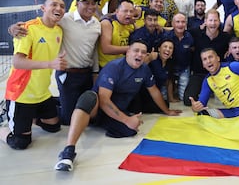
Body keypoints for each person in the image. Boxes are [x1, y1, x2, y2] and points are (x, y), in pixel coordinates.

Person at [54, 40, 182, 172]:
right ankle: (68, 151)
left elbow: (154, 91)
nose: (140, 54)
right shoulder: (114, 67)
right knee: (88, 97)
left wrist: (167, 111)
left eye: (144, 52)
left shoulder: (144, 69)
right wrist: (127, 119)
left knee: (130, 130)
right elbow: (103, 100)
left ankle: (94, 121)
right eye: (136, 51)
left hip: (115, 111)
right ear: (127, 53)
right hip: (97, 108)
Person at [7, 0, 102, 126]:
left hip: (86, 73)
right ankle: (32, 114)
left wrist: (95, 72)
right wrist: (12, 29)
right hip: (68, 74)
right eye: (86, 3)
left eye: (93, 3)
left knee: (89, 114)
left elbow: (94, 50)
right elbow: (42, 22)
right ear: (77, 4)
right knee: (68, 120)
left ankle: (54, 103)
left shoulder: (97, 24)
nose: (90, 6)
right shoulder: (64, 19)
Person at [0, 0, 67, 150]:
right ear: (43, 8)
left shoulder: (58, 30)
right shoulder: (27, 29)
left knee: (54, 127)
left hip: (42, 93)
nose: (58, 8)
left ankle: (29, 118)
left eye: (62, 6)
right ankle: (6, 122)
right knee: (20, 143)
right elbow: (17, 62)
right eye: (54, 4)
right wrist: (51, 64)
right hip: (21, 93)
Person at [183, 9, 231, 106]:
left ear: (219, 21)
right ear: (205, 21)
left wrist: (230, 50)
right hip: (199, 74)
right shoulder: (195, 33)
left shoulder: (226, 37)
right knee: (188, 100)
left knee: (227, 102)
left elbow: (237, 44)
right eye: (210, 20)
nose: (213, 23)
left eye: (215, 20)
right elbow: (179, 31)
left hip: (219, 74)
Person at [163, 13, 194, 101]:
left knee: (184, 98)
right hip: (169, 69)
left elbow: (193, 50)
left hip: (184, 68)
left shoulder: (190, 37)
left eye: (183, 22)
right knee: (164, 98)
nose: (180, 24)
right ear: (172, 24)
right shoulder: (166, 36)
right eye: (177, 22)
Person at [98, 0, 136, 68]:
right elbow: (106, 49)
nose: (129, 14)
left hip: (123, 65)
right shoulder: (107, 23)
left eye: (131, 11)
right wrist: (131, 48)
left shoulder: (130, 25)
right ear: (117, 11)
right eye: (125, 11)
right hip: (107, 67)